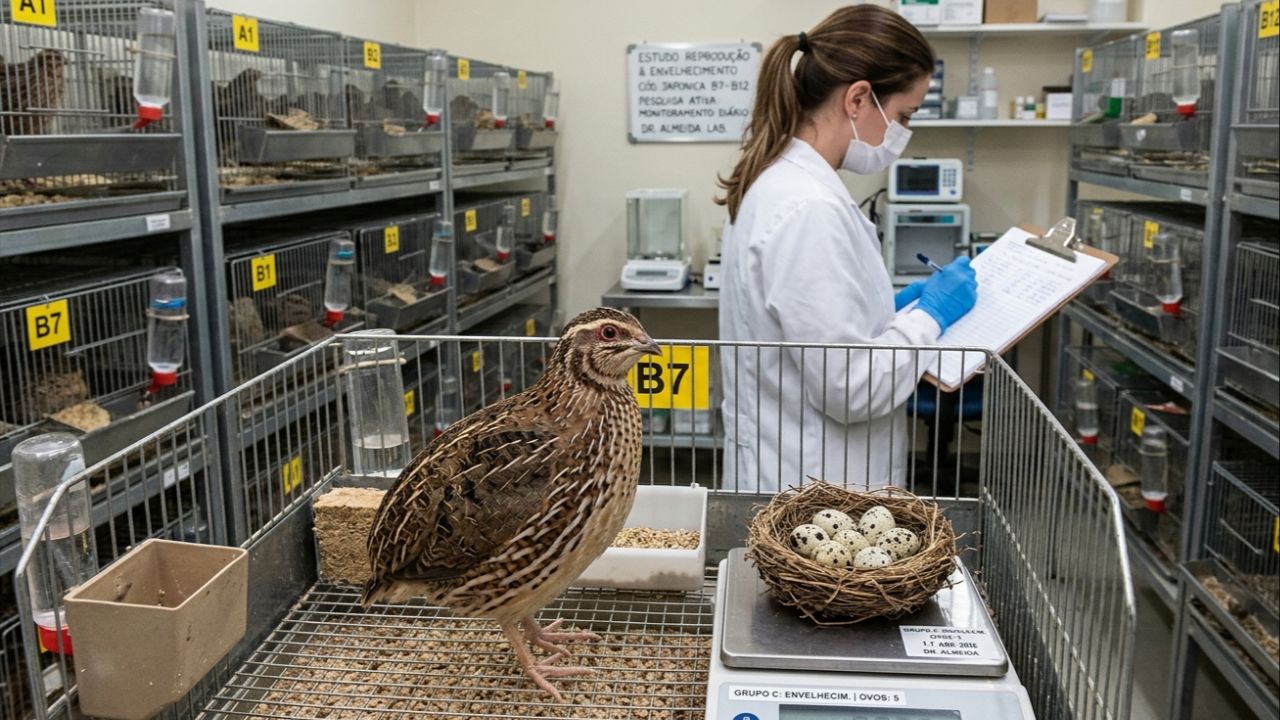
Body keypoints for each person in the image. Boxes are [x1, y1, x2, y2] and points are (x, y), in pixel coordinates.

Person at [716, 5, 978, 493]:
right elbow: (852, 388)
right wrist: (930, 318)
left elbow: (815, 333)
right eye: (903, 115)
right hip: (813, 488)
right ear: (858, 98)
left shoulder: (784, 184)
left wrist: (887, 313)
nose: (902, 133)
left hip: (798, 472)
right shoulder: (809, 207)